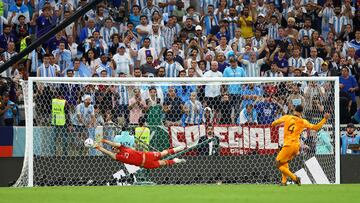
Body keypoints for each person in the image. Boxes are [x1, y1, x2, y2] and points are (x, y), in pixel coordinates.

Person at [271, 105, 330, 186]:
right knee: (284, 162)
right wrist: (325, 119)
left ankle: (295, 178)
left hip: (288, 145)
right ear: (301, 112)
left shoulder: (287, 117)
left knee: (277, 163)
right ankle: (284, 182)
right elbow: (316, 128)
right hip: (296, 147)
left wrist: (276, 124)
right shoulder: (303, 121)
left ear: (294, 110)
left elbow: (274, 123)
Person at [92, 139, 186, 169]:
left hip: (147, 155)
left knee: (162, 153)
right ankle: (176, 160)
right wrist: (98, 147)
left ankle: (177, 148)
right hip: (146, 164)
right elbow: (108, 153)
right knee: (164, 162)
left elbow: (113, 143)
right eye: (113, 149)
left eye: (114, 147)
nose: (113, 149)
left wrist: (103, 140)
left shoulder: (123, 148)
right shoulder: (119, 157)